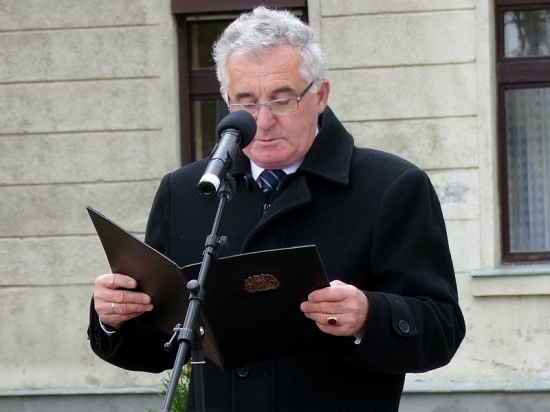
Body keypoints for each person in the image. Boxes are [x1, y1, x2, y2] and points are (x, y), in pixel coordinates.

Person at [88, 6, 465, 412]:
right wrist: (114, 317)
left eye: (282, 100)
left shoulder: (391, 186)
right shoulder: (186, 192)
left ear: (320, 95)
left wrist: (369, 316)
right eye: (246, 102)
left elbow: (441, 329)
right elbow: (159, 346)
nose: (263, 121)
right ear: (225, 98)